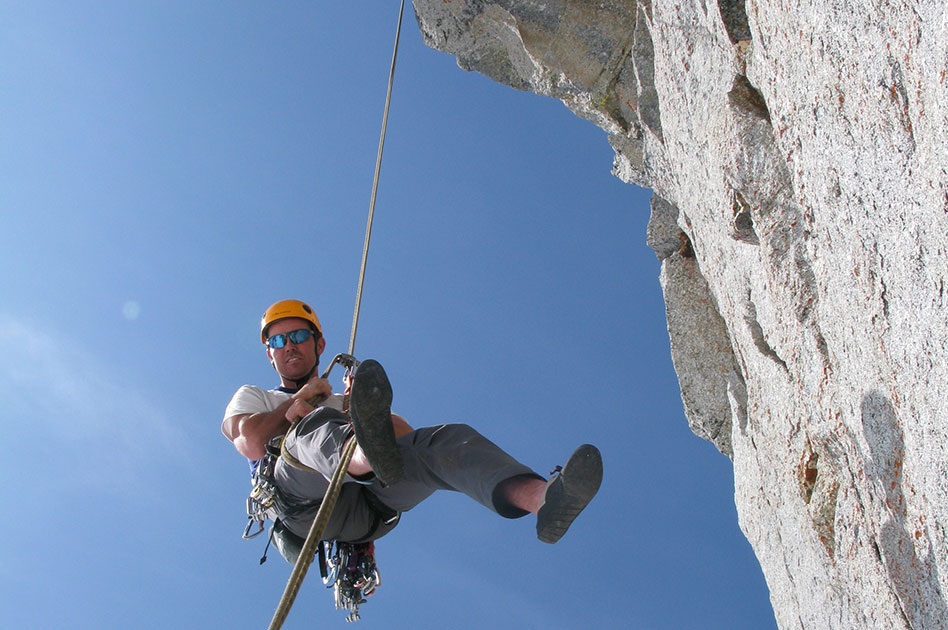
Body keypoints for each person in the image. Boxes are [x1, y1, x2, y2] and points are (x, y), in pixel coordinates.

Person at [222, 298, 602, 552]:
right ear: (269, 353)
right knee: (315, 424)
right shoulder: (256, 398)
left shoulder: (345, 402)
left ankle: (543, 499)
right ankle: (358, 453)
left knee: (443, 440)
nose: (290, 345)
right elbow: (251, 441)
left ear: (319, 345)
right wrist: (300, 400)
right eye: (279, 339)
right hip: (303, 505)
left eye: (299, 335)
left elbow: (406, 442)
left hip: (371, 511)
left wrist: (355, 410)